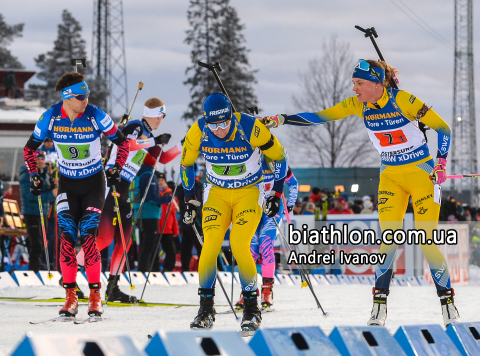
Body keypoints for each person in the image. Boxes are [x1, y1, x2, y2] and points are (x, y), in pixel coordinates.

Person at [263, 59, 460, 327]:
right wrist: (283, 119)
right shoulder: (357, 105)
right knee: (388, 241)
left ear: (377, 84)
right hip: (390, 176)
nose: (354, 88)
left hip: (422, 175)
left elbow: (443, 128)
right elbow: (320, 116)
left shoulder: (403, 100)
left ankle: (448, 303)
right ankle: (379, 306)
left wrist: (441, 163)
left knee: (426, 240)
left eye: (359, 83)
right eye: (354, 83)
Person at [23, 71, 130, 318]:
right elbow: (30, 150)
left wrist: (116, 168)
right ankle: (70, 295)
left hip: (94, 184)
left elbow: (122, 143)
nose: (86, 100)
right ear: (67, 98)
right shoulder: (49, 118)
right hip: (68, 185)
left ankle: (95, 296)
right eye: (81, 96)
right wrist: (34, 176)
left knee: (89, 237)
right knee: (67, 238)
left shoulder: (96, 115)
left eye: (87, 95)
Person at [181, 92, 288, 334]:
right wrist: (189, 198)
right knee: (209, 246)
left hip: (248, 192)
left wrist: (276, 194)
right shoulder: (198, 131)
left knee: (240, 245)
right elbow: (186, 164)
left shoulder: (250, 127)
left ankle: (252, 309)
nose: (219, 130)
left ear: (231, 116)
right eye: (214, 124)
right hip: (217, 194)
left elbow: (280, 157)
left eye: (224, 123)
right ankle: (205, 310)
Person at [76, 97, 178, 303]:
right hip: (109, 185)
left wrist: (186, 145)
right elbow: (128, 144)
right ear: (158, 115)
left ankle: (113, 287)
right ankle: (69, 274)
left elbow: (164, 158)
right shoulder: (136, 126)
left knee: (126, 239)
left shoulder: (148, 136)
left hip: (124, 189)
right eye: (162, 116)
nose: (162, 120)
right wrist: (154, 141)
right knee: (104, 238)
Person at [235, 159, 298, 311]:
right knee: (251, 248)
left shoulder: (275, 161)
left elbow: (293, 183)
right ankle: (248, 291)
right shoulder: (246, 157)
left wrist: (289, 205)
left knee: (265, 242)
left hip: (272, 211)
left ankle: (267, 290)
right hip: (253, 210)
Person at [134, 157, 172, 273]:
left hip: (139, 213)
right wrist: (166, 199)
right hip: (149, 213)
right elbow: (151, 197)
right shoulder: (149, 175)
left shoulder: (139, 173)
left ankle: (143, 268)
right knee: (150, 243)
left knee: (144, 243)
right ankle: (144, 270)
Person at [19, 152, 54, 272]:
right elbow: (30, 195)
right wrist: (51, 194)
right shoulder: (26, 174)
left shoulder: (44, 174)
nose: (40, 161)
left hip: (43, 212)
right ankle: (34, 270)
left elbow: (50, 194)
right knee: (37, 244)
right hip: (32, 213)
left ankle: (38, 269)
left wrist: (53, 184)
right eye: (37, 159)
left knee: (43, 243)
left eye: (42, 159)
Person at [176, 165, 203, 272]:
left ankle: (185, 269)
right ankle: (204, 271)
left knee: (186, 246)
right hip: (195, 220)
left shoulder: (182, 185)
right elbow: (198, 204)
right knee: (200, 246)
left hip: (185, 221)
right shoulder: (196, 185)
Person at [157, 172, 178, 272]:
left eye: (162, 180)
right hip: (156, 228)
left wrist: (175, 231)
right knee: (154, 251)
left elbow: (173, 214)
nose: (160, 182)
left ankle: (168, 269)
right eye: (159, 181)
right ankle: (154, 270)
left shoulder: (170, 195)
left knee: (171, 251)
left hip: (167, 229)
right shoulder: (154, 193)